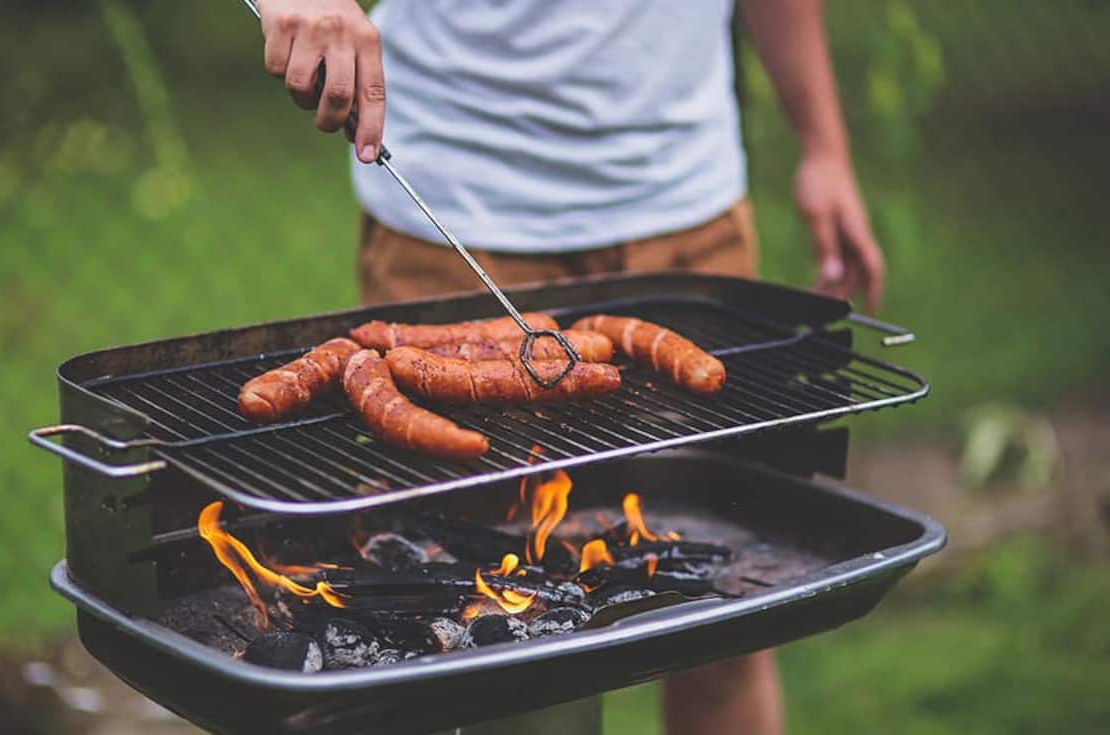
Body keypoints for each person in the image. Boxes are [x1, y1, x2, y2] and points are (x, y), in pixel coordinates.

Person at [257, 1, 884, 732]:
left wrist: (823, 144)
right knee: (500, 656)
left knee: (725, 618)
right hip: (453, 215)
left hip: (687, 215)